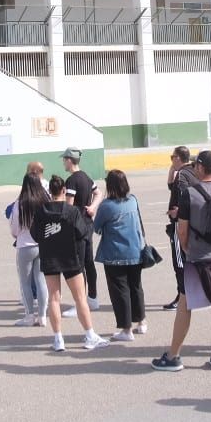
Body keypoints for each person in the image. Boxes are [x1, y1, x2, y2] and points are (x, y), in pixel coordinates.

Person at [152, 150, 211, 372]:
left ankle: (174, 355)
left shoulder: (189, 194)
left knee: (185, 304)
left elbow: (182, 231)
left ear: (200, 167)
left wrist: (187, 249)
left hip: (197, 257)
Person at [30, 175, 106, 351]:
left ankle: (58, 339)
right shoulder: (72, 212)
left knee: (54, 300)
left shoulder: (41, 212)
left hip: (50, 258)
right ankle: (90, 335)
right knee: (80, 298)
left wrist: (49, 238)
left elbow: (35, 235)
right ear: (64, 191)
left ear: (50, 192)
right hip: (70, 258)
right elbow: (82, 233)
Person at [93, 169, 147, 340]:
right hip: (135, 250)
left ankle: (126, 329)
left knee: (120, 291)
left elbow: (96, 228)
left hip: (115, 254)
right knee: (136, 287)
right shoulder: (133, 200)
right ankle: (142, 321)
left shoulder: (107, 206)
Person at [8, 170, 48, 325]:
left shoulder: (20, 203)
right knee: (41, 280)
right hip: (43, 244)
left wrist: (17, 235)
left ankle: (30, 315)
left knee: (25, 281)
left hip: (25, 245)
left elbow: (14, 228)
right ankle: (43, 315)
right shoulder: (45, 200)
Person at [61, 148, 100, 309]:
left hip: (77, 227)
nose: (63, 162)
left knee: (79, 265)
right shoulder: (86, 177)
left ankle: (81, 302)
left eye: (64, 159)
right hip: (88, 224)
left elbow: (68, 207)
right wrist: (92, 207)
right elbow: (99, 193)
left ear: (69, 160)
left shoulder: (71, 180)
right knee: (89, 262)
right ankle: (93, 298)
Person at [162, 146, 193, 310]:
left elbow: (184, 195)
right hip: (189, 223)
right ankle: (186, 294)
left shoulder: (182, 176)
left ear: (178, 158)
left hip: (179, 224)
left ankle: (183, 296)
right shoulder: (192, 171)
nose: (171, 160)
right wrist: (172, 167)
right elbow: (171, 186)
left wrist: (178, 212)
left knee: (179, 263)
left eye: (172, 157)